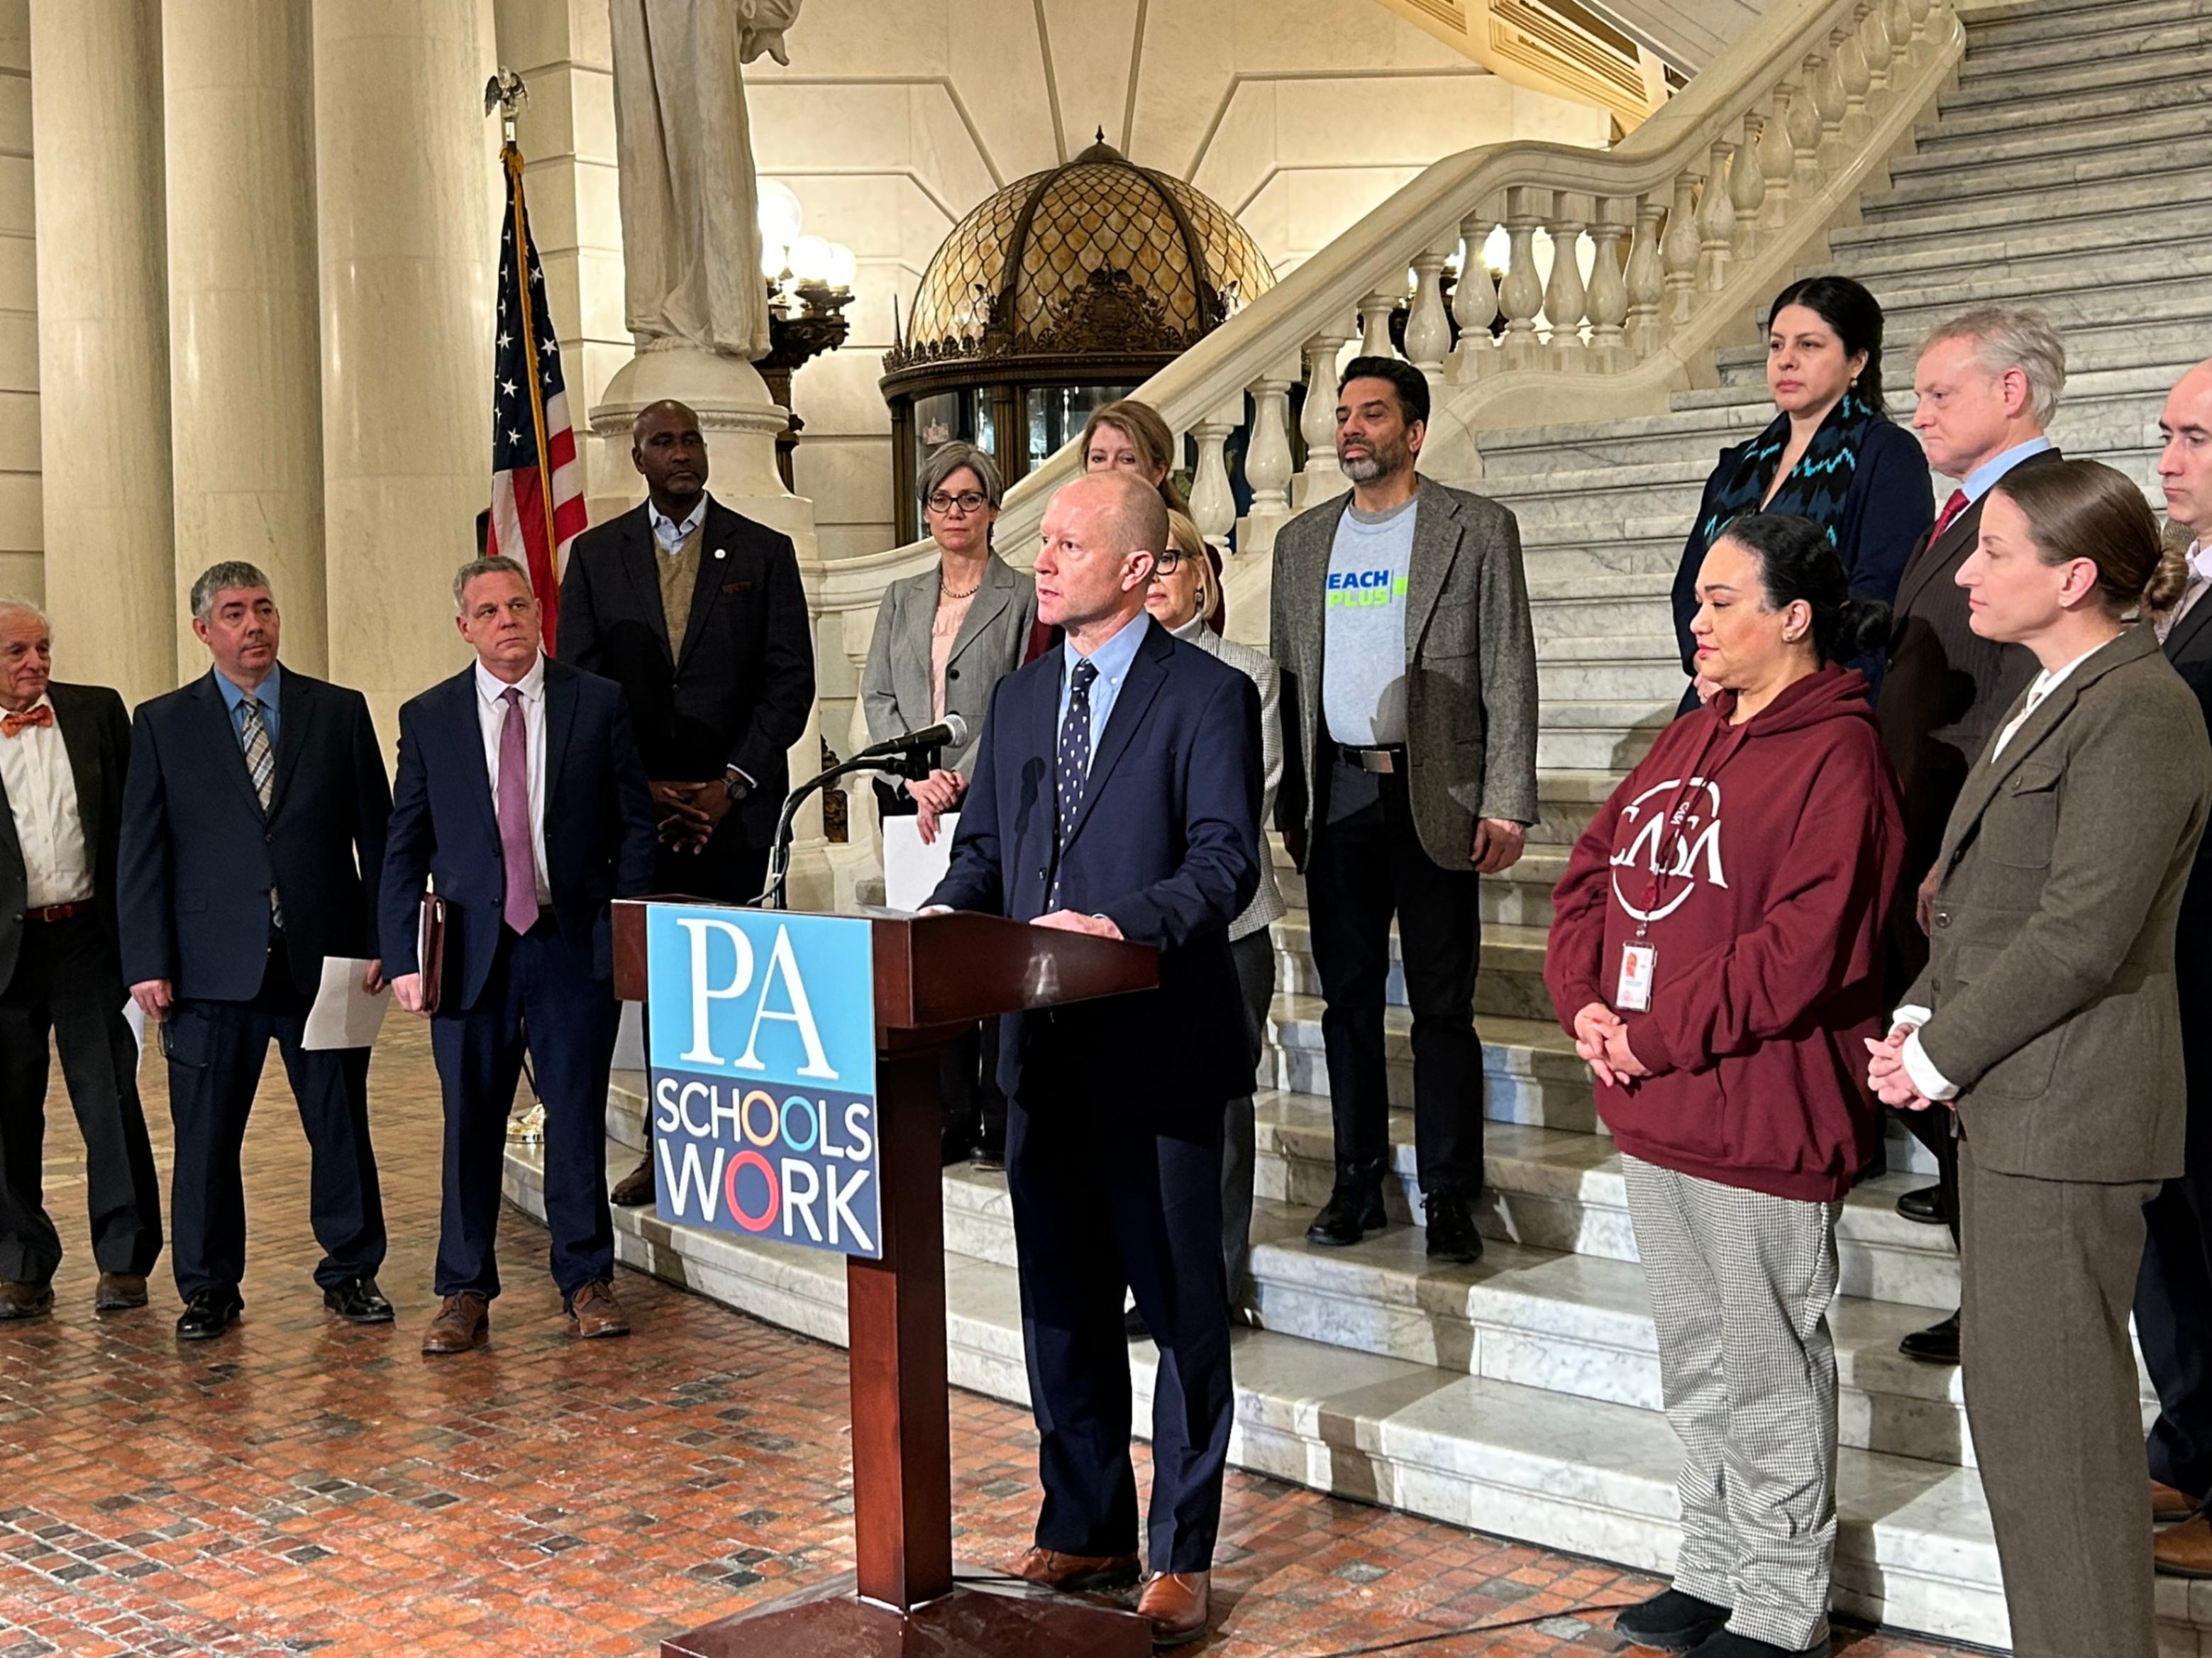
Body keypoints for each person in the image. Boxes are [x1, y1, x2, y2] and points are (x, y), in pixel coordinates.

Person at [1867, 460, 2209, 1658]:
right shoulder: (2051, 683)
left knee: (2057, 1440)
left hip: (2068, 1116)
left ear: (2071, 576)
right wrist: (1916, 1015)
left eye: (1994, 550)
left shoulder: (2138, 706)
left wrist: (1937, 1052)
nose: (1965, 569)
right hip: (2015, 1103)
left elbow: (2082, 929)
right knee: (2023, 1431)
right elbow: (1977, 901)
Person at [1548, 514, 1904, 1658]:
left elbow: (1807, 947)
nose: (1694, 622)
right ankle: (1710, 1567)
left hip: (1759, 1111)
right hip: (1657, 1108)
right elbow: (1592, 874)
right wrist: (1586, 1006)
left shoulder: (1836, 754)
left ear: (1791, 617)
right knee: (1694, 1359)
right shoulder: (1685, 732)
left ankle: (1778, 1598)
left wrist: (1658, 1032)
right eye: (1694, 601)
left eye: (1718, 601)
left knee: (1762, 1367)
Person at [927, 469, 1261, 1647]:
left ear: (1135, 567)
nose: (1047, 559)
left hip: (1156, 1050)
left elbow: (1224, 865)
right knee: (1058, 1305)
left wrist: (1121, 924)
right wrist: (934, 931)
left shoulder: (1206, 696)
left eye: (1070, 543)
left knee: (1177, 1313)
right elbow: (982, 862)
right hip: (1040, 1055)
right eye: (1045, 541)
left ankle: (1179, 1550)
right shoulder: (1018, 701)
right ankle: (1085, 1521)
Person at [1270, 355, 1538, 1264]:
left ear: (1413, 433)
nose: (1351, 429)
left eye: (1371, 414)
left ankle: (1448, 1191)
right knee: (1346, 1004)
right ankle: (1358, 1182)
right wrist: (1287, 798)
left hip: (1436, 793)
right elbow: (1286, 680)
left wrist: (1506, 799)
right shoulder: (1301, 544)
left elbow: (1507, 664)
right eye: (1344, 414)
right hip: (1336, 794)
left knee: (1441, 1007)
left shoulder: (1476, 529)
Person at [383, 557, 656, 1354]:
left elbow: (634, 827)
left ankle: (585, 1280)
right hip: (470, 954)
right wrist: (405, 953)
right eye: (488, 611)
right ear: (463, 626)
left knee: (575, 1114)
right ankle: (464, 1289)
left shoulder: (595, 702)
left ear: (539, 614)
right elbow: (405, 846)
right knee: (469, 1122)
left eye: (519, 605)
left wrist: (625, 935)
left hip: (570, 947)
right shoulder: (428, 716)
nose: (507, 621)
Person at [118, 563, 394, 1341]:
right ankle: (208, 1288)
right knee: (204, 1138)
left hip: (326, 963)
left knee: (341, 1124)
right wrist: (147, 960)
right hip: (207, 971)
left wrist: (384, 941)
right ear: (204, 630)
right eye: (234, 613)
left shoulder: (337, 712)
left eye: (265, 608)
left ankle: (351, 1270)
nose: (254, 625)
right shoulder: (163, 723)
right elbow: (142, 853)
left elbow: (378, 839)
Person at [558, 397, 816, 1207]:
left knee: (740, 988)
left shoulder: (764, 552)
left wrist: (729, 781)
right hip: (641, 814)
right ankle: (669, 1150)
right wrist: (642, 787)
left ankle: (747, 1151)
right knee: (666, 988)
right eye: (664, 442)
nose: (682, 453)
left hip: (733, 809)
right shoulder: (596, 557)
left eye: (691, 440)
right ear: (637, 458)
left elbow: (790, 681)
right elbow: (580, 686)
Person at [1878, 307, 2067, 1366]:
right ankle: (1978, 1274)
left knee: (1954, 1066)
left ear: (2011, 393)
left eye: (1940, 392)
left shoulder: (2042, 504)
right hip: (1919, 818)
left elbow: (2021, 690)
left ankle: (1996, 1299)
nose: (1919, 413)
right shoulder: (1962, 508)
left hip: (1968, 836)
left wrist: (1963, 847)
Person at [861, 441, 1037, 1166]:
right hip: (909, 802)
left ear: (993, 509)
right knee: (927, 963)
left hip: (988, 799)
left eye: (969, 499)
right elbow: (876, 694)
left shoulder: (1022, 593)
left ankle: (998, 1115)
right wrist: (911, 775)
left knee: (983, 959)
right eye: (940, 500)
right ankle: (947, 1115)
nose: (954, 512)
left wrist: (961, 775)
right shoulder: (902, 596)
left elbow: (1025, 694)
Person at [0, 600, 160, 1320]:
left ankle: (125, 1261)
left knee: (110, 1101)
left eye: (42, 647)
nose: (35, 662)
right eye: (16, 653)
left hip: (89, 943)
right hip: (5, 954)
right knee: (8, 1114)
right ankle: (20, 1266)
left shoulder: (98, 713)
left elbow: (137, 832)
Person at [1144, 508, 1285, 1317]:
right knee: (1146, 1113)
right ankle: (1157, 1277)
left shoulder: (1248, 674)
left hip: (1226, 929)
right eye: (1148, 559)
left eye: (1175, 558)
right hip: (1133, 933)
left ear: (1204, 573)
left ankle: (1215, 1284)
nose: (1161, 573)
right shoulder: (1109, 670)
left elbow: (1248, 797)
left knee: (1223, 1117)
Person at [1671, 275, 1932, 709]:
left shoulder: (1886, 453)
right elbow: (1691, 587)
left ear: (1857, 361)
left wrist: (1778, 670)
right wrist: (1710, 665)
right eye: (1777, 346)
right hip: (1719, 690)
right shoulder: (1737, 464)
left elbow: (1879, 588)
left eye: (1808, 346)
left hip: (1818, 693)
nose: (1786, 361)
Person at [2140, 359, 2212, 1574]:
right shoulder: (2171, 587)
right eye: (2165, 434)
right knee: (2165, 1210)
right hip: (2158, 959)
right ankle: (2190, 1437)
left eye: (2195, 436)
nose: (2166, 460)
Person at [1080, 399, 1222, 633]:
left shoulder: (1192, 559)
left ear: (1158, 473)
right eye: (1098, 458)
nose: (1109, 470)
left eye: (1127, 459)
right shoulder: (1065, 551)